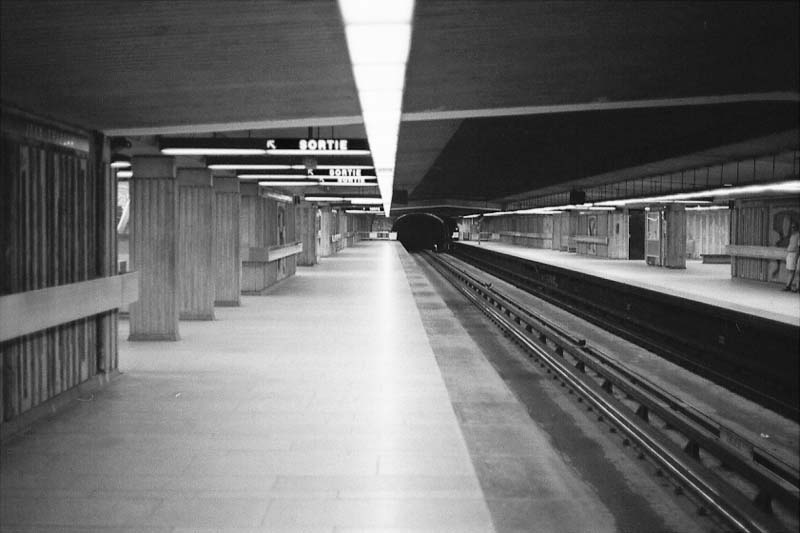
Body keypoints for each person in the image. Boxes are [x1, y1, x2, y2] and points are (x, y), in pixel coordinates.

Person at [783, 222, 800, 292]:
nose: (792, 228)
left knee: (792, 271)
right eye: (792, 227)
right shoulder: (792, 235)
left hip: (794, 253)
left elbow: (798, 247)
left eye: (794, 227)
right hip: (790, 253)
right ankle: (789, 285)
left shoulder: (798, 235)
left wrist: (796, 256)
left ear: (797, 227)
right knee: (790, 270)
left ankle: (789, 286)